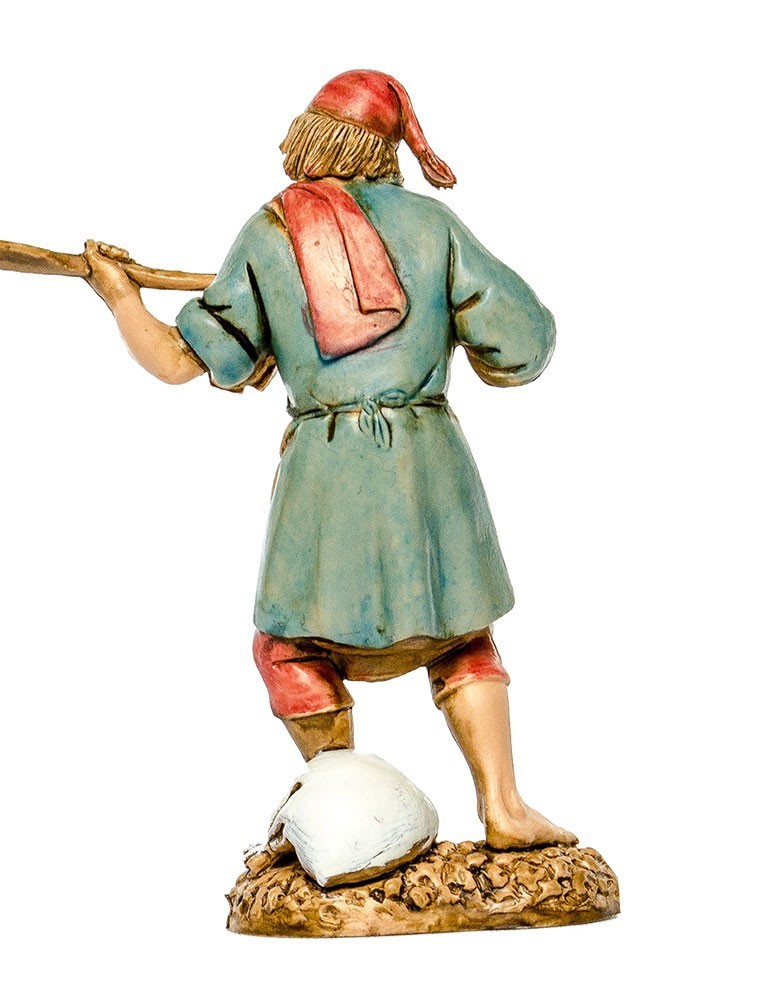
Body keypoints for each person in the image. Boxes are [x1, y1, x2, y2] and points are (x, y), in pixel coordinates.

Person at [84, 70, 575, 850]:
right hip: (428, 470)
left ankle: (341, 804)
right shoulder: (432, 226)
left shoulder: (271, 231)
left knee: (288, 649)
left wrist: (119, 296)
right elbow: (524, 344)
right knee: (460, 639)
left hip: (327, 475)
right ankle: (503, 807)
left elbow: (179, 359)